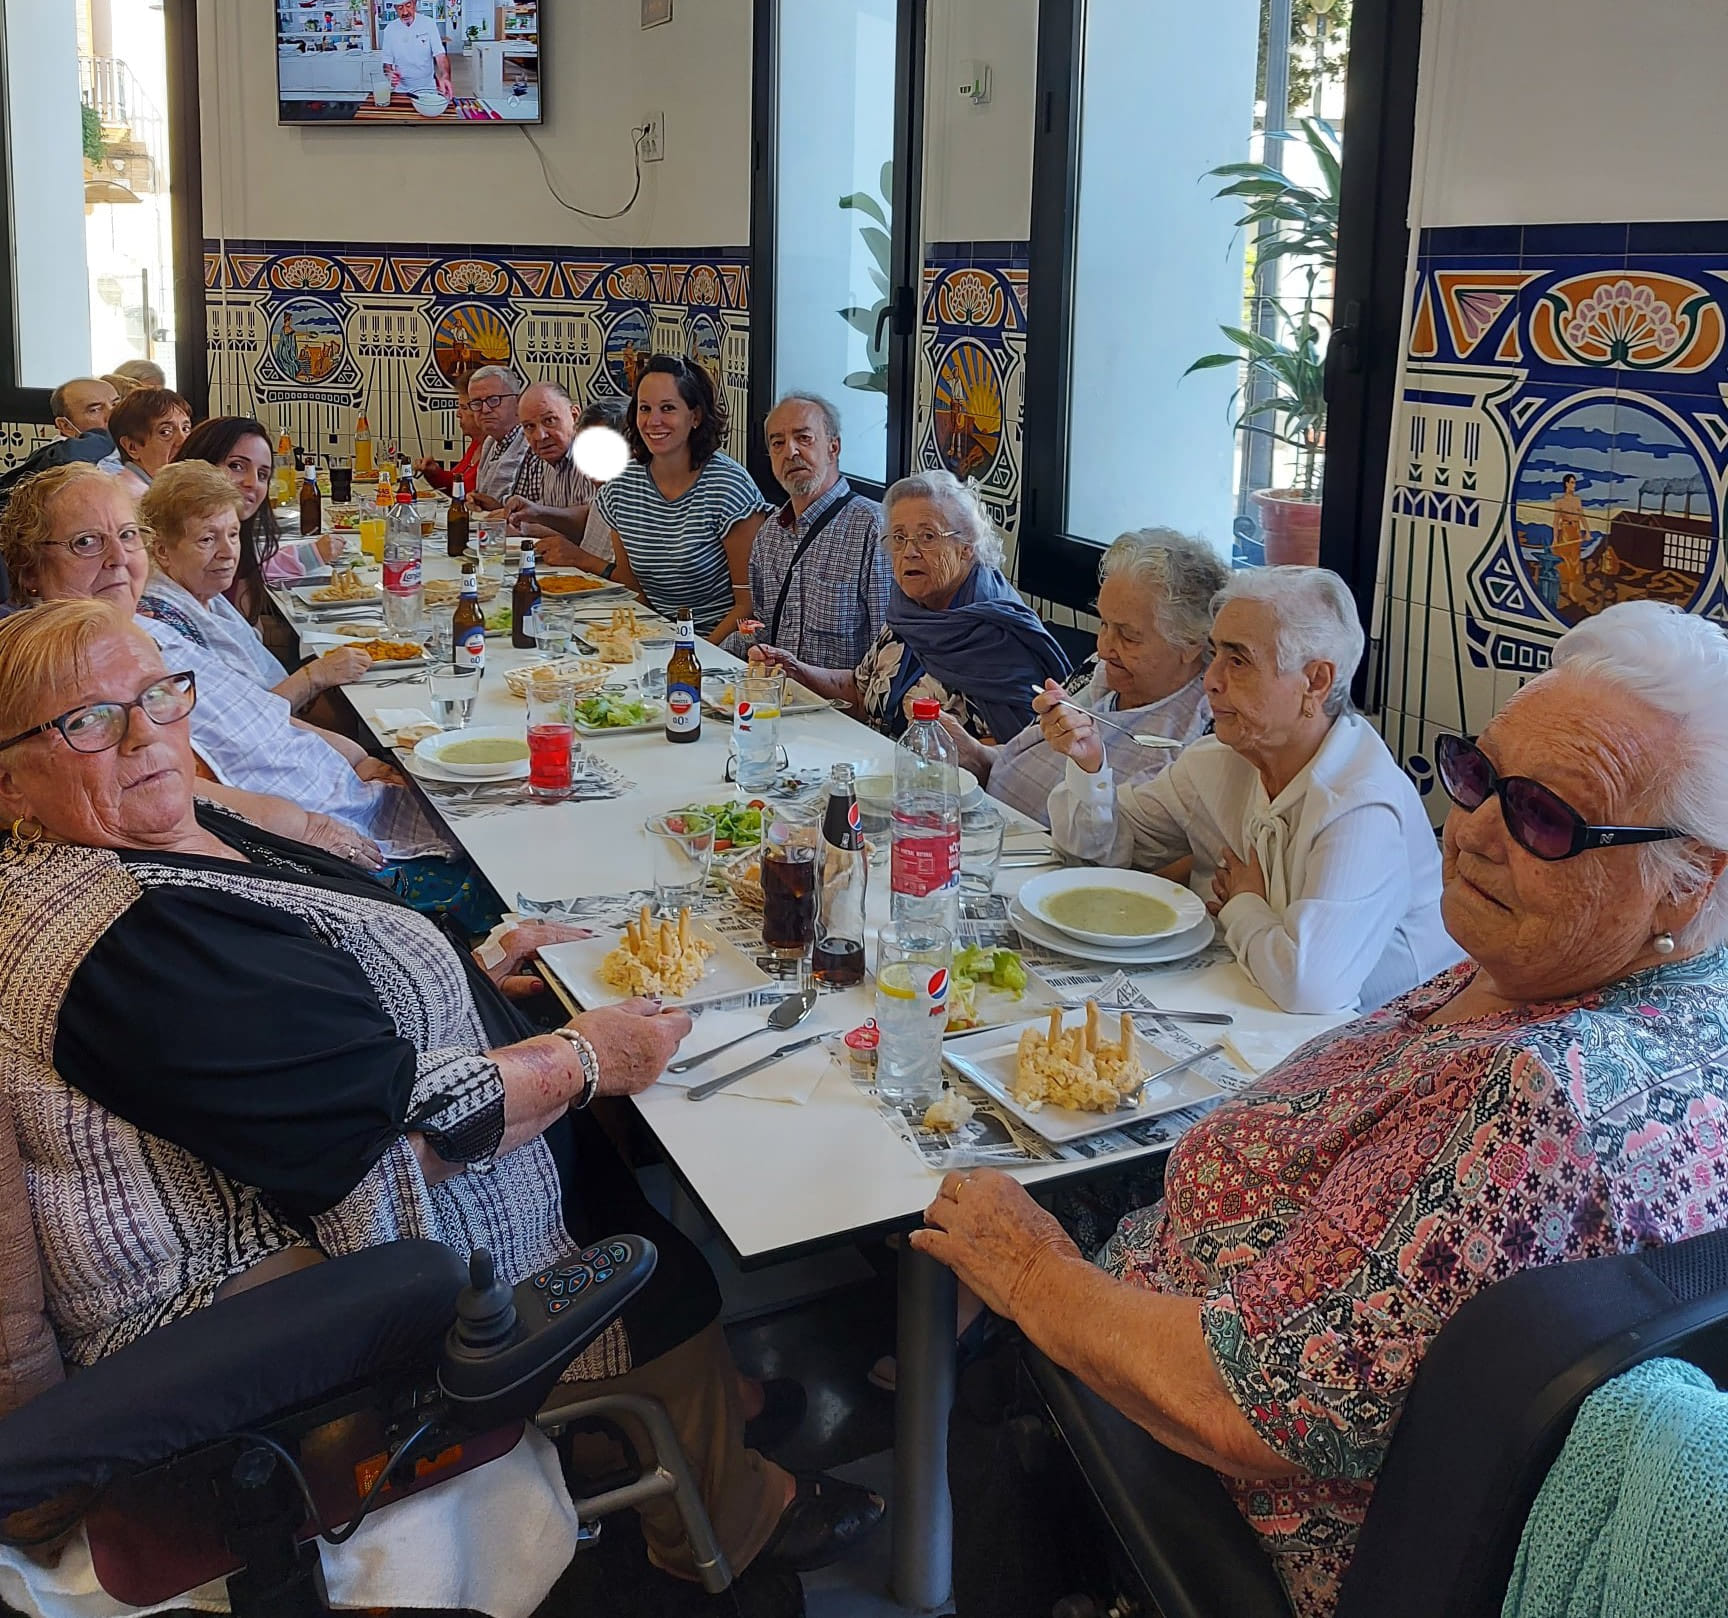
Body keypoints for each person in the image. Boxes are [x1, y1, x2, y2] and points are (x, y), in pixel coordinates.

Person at [0, 601, 884, 1611]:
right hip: (292, 1303)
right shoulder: (122, 948)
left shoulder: (166, 828)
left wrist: (471, 970)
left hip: (331, 1170)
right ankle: (723, 1523)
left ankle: (708, 1410)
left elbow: (303, 1026)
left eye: (158, 693)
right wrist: (580, 1059)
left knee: (604, 1171)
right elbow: (378, 1130)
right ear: (9, 776)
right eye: (88, 720)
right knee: (652, 1271)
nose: (146, 730)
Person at [921, 598, 1728, 1618]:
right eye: (1479, 776)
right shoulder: (1558, 972)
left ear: (1690, 881)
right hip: (1180, 1308)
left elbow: (1248, 1405)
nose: (1472, 828)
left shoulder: (1537, 1094)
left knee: (980, 1332)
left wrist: (1034, 1272)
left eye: (1546, 817)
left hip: (1201, 1484)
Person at [0, 464, 460, 886]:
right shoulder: (45, 671)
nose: (118, 557)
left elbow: (259, 709)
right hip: (308, 848)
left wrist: (354, 757)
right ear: (30, 569)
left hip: (347, 798)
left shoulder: (145, 627)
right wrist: (303, 826)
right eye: (86, 542)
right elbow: (163, 790)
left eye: (126, 535)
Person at [1046, 566, 1457, 1013]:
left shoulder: (1361, 803)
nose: (1211, 680)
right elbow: (1097, 850)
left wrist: (1242, 903)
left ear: (1315, 683)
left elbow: (1310, 988)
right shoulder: (1220, 762)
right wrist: (1089, 766)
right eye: (1215, 654)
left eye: (1238, 661)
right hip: (1249, 1000)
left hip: (1386, 1043)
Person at [753, 469, 1068, 741]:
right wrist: (796, 670)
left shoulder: (999, 636)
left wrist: (958, 752)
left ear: (966, 548)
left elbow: (1021, 753)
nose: (909, 552)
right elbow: (861, 692)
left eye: (928, 536)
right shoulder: (909, 610)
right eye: (898, 538)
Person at [944, 528, 1223, 827]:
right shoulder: (1100, 670)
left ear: (1192, 643)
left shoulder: (1209, 729)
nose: (1103, 648)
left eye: (1128, 636)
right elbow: (1027, 757)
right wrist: (977, 756)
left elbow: (1167, 856)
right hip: (992, 825)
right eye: (1104, 624)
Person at [137, 462, 371, 712]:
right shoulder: (164, 627)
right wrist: (315, 676)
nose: (228, 553)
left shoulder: (202, 592)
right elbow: (240, 722)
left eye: (233, 534)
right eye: (207, 539)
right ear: (161, 550)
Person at [595, 354, 767, 642]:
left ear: (695, 416)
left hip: (723, 645)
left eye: (668, 408)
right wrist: (652, 642)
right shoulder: (620, 485)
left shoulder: (729, 488)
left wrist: (689, 654)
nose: (653, 421)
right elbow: (631, 584)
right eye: (645, 408)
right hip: (657, 639)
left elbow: (749, 605)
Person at [740, 392, 889, 670]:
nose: (791, 452)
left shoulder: (874, 527)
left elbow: (887, 650)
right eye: (777, 443)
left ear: (834, 448)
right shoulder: (770, 532)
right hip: (776, 694)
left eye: (804, 438)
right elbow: (759, 627)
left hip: (842, 707)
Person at [177, 415, 343, 622]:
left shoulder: (238, 545)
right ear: (200, 463)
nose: (252, 482)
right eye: (237, 466)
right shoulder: (178, 551)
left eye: (263, 474)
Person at [502, 380, 610, 573]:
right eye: (529, 427)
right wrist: (530, 515)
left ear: (575, 416)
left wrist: (529, 525)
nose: (540, 436)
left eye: (549, 420)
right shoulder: (548, 460)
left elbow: (593, 525)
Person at [103, 386, 192, 499]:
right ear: (132, 447)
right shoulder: (130, 502)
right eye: (165, 432)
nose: (183, 441)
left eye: (186, 429)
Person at [467, 364, 528, 510]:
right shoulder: (490, 442)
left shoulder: (533, 443)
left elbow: (538, 514)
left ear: (518, 402)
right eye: (477, 403)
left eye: (494, 400)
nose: (485, 410)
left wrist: (498, 511)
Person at [416, 375, 482, 495]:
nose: (458, 414)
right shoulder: (476, 444)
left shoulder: (495, 451)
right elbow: (455, 485)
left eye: (464, 408)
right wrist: (435, 473)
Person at [380, 0, 451, 97]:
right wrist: (389, 74)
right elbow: (386, 63)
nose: (405, 12)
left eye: (408, 5)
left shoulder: (428, 24)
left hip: (428, 87)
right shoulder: (390, 30)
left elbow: (440, 55)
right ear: (395, 8)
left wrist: (445, 76)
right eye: (400, 8)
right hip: (402, 89)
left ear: (414, 3)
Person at [49, 377, 118, 441]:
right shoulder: (65, 453)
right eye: (95, 410)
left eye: (116, 404)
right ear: (66, 427)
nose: (114, 414)